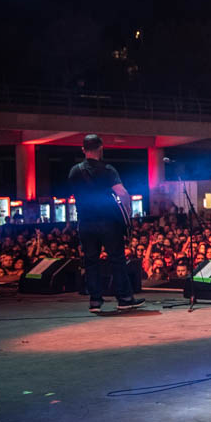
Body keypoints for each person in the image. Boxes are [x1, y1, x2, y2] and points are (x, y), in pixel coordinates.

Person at [67, 134, 145, 312]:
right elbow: (122, 193)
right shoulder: (108, 170)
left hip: (85, 222)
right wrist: (128, 211)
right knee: (116, 259)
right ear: (101, 148)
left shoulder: (74, 171)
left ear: (83, 149)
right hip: (108, 222)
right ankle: (124, 298)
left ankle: (95, 301)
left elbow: (74, 194)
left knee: (91, 261)